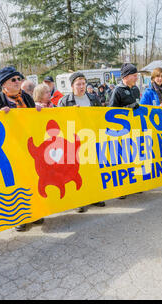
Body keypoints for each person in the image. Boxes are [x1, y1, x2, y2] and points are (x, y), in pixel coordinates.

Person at [0, 66, 44, 232]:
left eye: (19, 79)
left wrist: (38, 111)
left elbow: (34, 120)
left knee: (32, 180)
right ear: (4, 84)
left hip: (27, 148)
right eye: (13, 80)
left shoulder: (26, 97)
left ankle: (35, 213)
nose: (18, 82)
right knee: (15, 185)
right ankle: (19, 217)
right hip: (8, 151)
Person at [57, 72, 105, 212]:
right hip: (73, 141)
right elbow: (59, 121)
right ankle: (79, 201)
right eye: (78, 84)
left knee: (93, 169)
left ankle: (95, 196)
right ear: (72, 86)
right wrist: (69, 113)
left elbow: (100, 115)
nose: (82, 86)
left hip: (91, 138)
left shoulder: (93, 98)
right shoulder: (65, 101)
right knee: (77, 171)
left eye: (83, 83)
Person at [108, 63, 141, 200]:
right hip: (121, 131)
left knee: (134, 157)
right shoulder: (118, 91)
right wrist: (128, 108)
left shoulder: (135, 89)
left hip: (135, 129)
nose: (136, 78)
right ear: (126, 77)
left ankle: (135, 184)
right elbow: (111, 112)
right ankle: (121, 189)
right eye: (134, 75)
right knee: (122, 160)